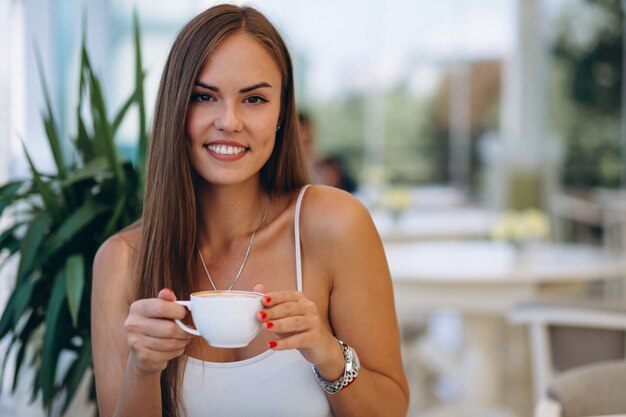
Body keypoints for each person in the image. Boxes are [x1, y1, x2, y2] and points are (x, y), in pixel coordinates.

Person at [91, 4, 409, 417]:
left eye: (254, 99)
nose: (229, 121)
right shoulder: (122, 261)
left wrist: (329, 355)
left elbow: (391, 410)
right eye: (205, 97)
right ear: (176, 109)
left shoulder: (334, 225)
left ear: (281, 114)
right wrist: (143, 368)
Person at [298, 110, 357, 192]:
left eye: (306, 130)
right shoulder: (290, 172)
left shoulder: (331, 166)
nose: (304, 136)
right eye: (300, 131)